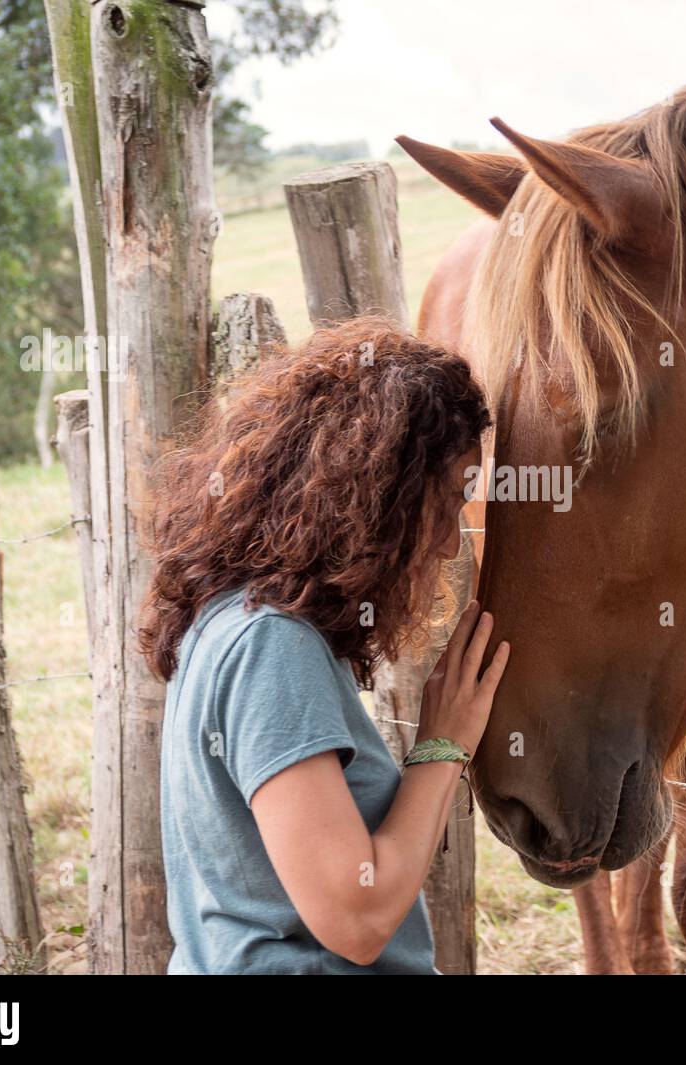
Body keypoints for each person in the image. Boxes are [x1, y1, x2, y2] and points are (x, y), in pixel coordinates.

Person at [138, 316, 508, 974]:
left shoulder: (233, 618)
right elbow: (356, 915)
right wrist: (443, 744)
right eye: (448, 501)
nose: (453, 542)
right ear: (380, 497)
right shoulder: (269, 649)